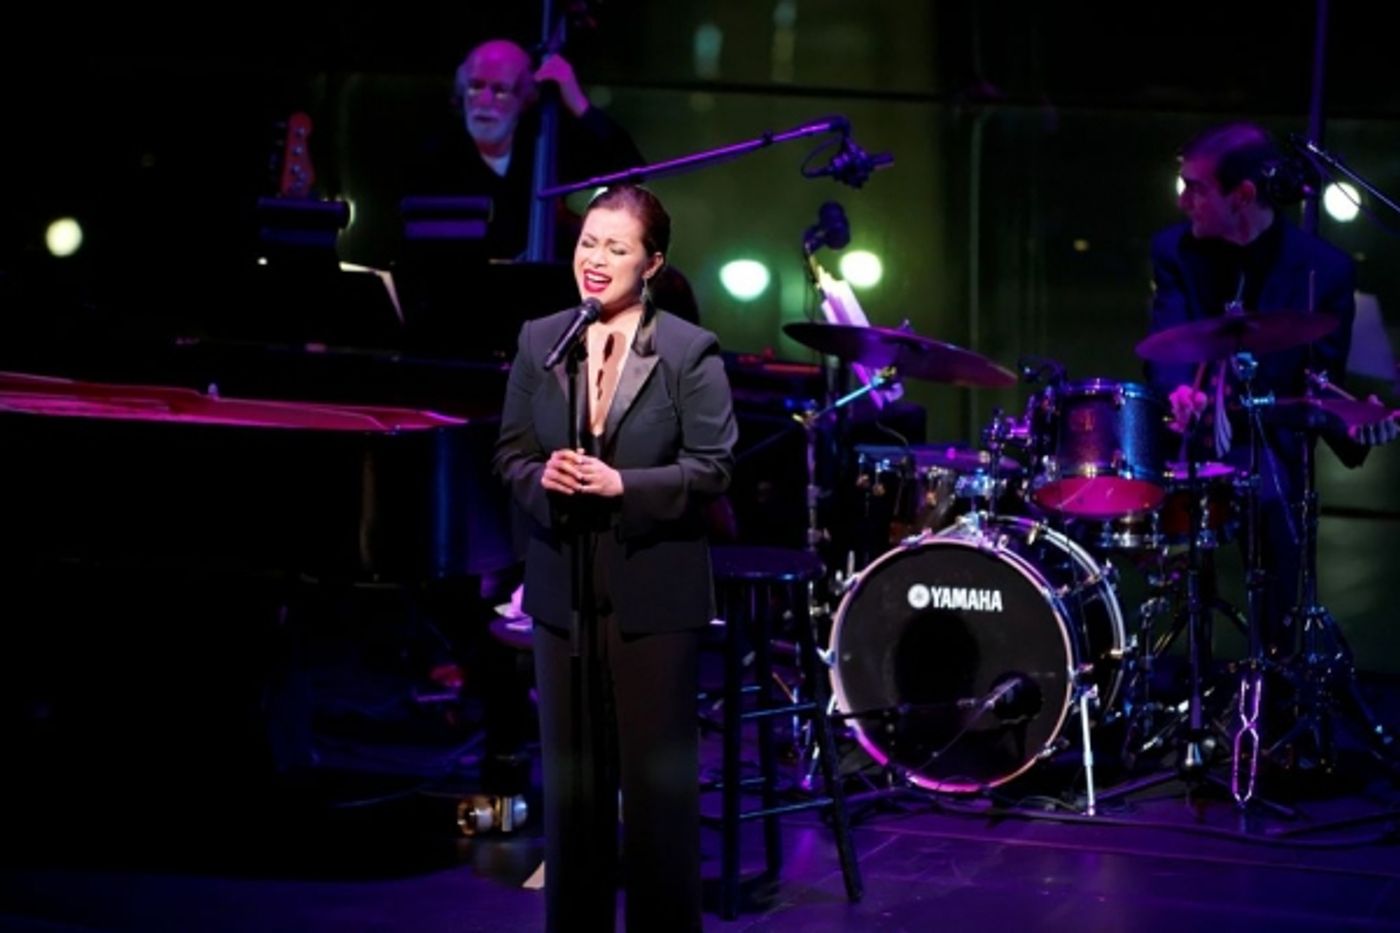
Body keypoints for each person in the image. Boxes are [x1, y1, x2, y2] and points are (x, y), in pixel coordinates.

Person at [492, 184, 737, 932]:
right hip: (562, 585)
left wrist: (624, 483)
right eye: (588, 243)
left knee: (656, 795)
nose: (595, 261)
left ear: (653, 263)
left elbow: (715, 467)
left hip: (652, 593)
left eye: (616, 248)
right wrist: (546, 478)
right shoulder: (542, 340)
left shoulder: (689, 353)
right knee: (572, 792)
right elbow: (509, 452)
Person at [1144, 121, 1398, 669]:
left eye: (1197, 188)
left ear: (1243, 197)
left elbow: (1317, 383)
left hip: (1268, 446)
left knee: (1275, 497)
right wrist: (1183, 391)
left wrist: (1350, 419)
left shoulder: (1322, 270)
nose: (1184, 201)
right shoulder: (1173, 251)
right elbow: (1166, 344)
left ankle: (1282, 685)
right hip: (1182, 443)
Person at [411, 38, 644, 261]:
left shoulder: (541, 146)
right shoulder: (437, 155)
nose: (484, 100)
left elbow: (631, 168)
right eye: (475, 86)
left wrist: (577, 103)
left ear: (525, 99)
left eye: (500, 89)